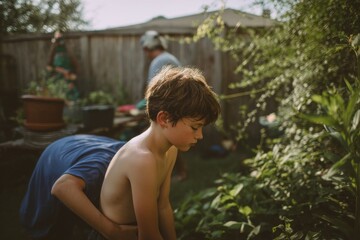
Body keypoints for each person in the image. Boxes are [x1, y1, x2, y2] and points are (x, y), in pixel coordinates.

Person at [89, 66, 221, 239]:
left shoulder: (170, 150)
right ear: (164, 119)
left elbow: (163, 206)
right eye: (195, 127)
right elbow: (148, 234)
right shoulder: (142, 159)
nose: (200, 135)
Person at [19, 134, 138, 240]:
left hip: (75, 147)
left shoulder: (135, 154)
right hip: (56, 169)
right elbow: (62, 187)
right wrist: (112, 231)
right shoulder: (102, 165)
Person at [139, 30, 187, 181]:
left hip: (169, 107)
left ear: (148, 48)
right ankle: (177, 173)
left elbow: (154, 91)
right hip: (178, 104)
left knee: (166, 141)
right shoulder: (170, 57)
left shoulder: (159, 61)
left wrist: (140, 106)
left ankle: (169, 173)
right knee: (173, 140)